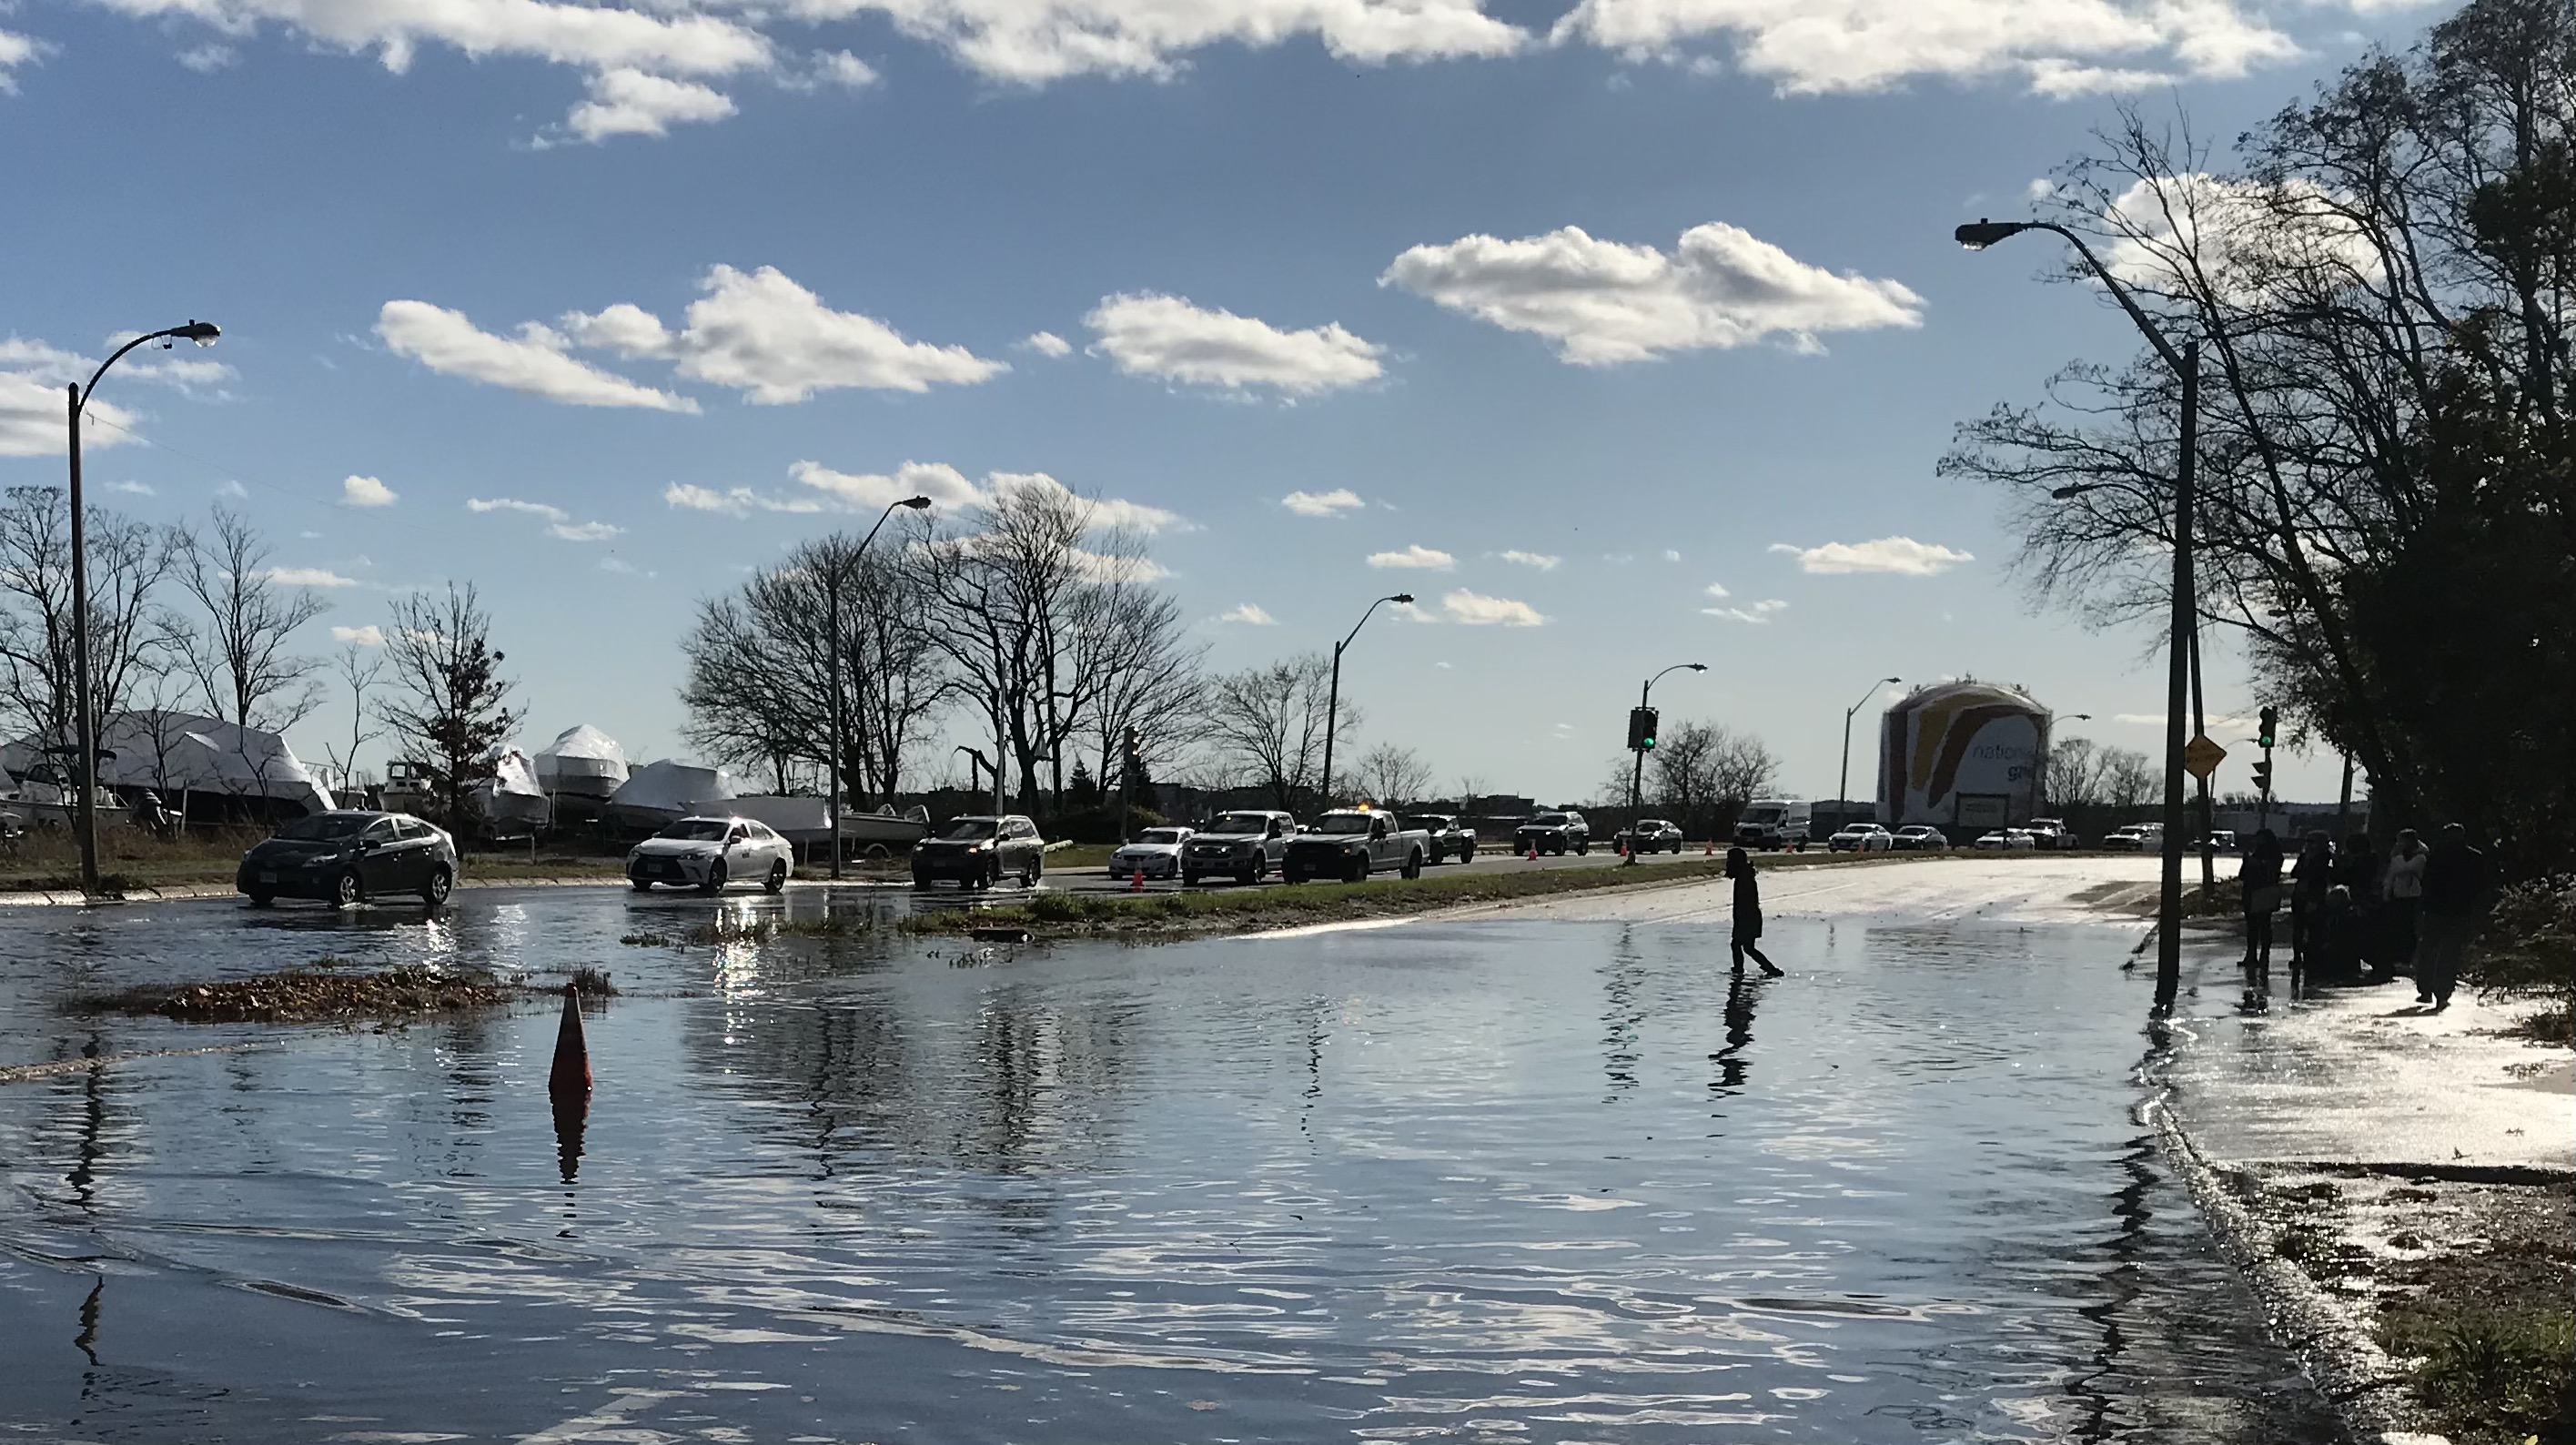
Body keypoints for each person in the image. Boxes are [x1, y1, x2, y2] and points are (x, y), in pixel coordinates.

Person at [2414, 824, 2490, 1011]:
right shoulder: (2474, 857)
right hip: (2461, 911)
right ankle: (2443, 991)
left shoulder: (2437, 856)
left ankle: (2425, 989)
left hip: (2436, 910)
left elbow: (2427, 883)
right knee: (2451, 952)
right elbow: (2481, 885)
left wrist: (2423, 906)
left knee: (2428, 949)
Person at [1723, 846, 1782, 976]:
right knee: (1744, 947)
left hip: (1747, 917)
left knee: (1741, 946)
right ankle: (1765, 969)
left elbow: (1746, 901)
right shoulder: (1745, 875)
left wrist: (1741, 920)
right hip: (1748, 917)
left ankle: (1764, 970)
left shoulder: (1744, 878)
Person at [2380, 829, 2428, 984]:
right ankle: (2399, 958)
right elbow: (2391, 875)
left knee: (2411, 928)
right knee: (2398, 927)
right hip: (2398, 895)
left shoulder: (2422, 856)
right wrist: (2386, 893)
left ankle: (2409, 958)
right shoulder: (2398, 857)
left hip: (2415, 896)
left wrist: (2397, 862)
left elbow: (2411, 868)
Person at [2239, 829, 2284, 983]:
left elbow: (2272, 871)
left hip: (2263, 891)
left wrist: (2255, 863)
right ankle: (2251, 954)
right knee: (2253, 925)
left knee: (2263, 924)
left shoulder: (2274, 854)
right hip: (2252, 891)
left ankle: (2263, 955)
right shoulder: (2256, 853)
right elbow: (2243, 874)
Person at [2289, 831, 2335, 971]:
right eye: (2307, 842)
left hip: (2315, 895)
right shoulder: (2304, 857)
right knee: (2298, 928)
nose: (2308, 845)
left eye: (2312, 842)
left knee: (2315, 928)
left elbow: (2319, 875)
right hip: (2300, 894)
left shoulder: (2326, 857)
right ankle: (2297, 956)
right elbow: (2295, 872)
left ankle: (2313, 956)